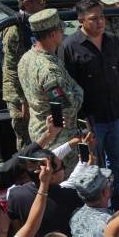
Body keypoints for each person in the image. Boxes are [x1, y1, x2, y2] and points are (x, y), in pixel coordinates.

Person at [60, 0, 119, 181]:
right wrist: (81, 120)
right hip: (92, 120)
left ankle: (117, 197)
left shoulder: (112, 40)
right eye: (93, 18)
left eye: (101, 16)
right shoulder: (70, 47)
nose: (100, 22)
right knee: (95, 164)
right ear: (81, 20)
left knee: (118, 162)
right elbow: (68, 87)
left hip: (115, 114)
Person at [18, 9, 84, 160]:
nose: (63, 33)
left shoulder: (26, 58)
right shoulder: (49, 71)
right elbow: (68, 107)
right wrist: (79, 91)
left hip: (39, 133)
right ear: (53, 33)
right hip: (58, 140)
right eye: (61, 29)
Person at [2, 0, 46, 149]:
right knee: (26, 137)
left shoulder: (33, 23)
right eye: (39, 1)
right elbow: (11, 69)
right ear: (27, 3)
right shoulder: (15, 29)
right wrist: (23, 99)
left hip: (34, 88)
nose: (43, 4)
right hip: (18, 93)